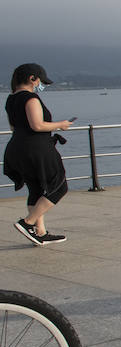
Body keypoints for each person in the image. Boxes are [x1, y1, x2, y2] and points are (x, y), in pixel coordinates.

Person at [5, 63, 72, 245]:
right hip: (37, 149)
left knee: (35, 188)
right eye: (39, 81)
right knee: (59, 187)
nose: (39, 84)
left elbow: (13, 126)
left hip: (16, 148)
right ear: (32, 79)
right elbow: (37, 125)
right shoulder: (31, 98)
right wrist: (61, 124)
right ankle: (27, 223)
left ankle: (39, 232)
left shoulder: (11, 99)